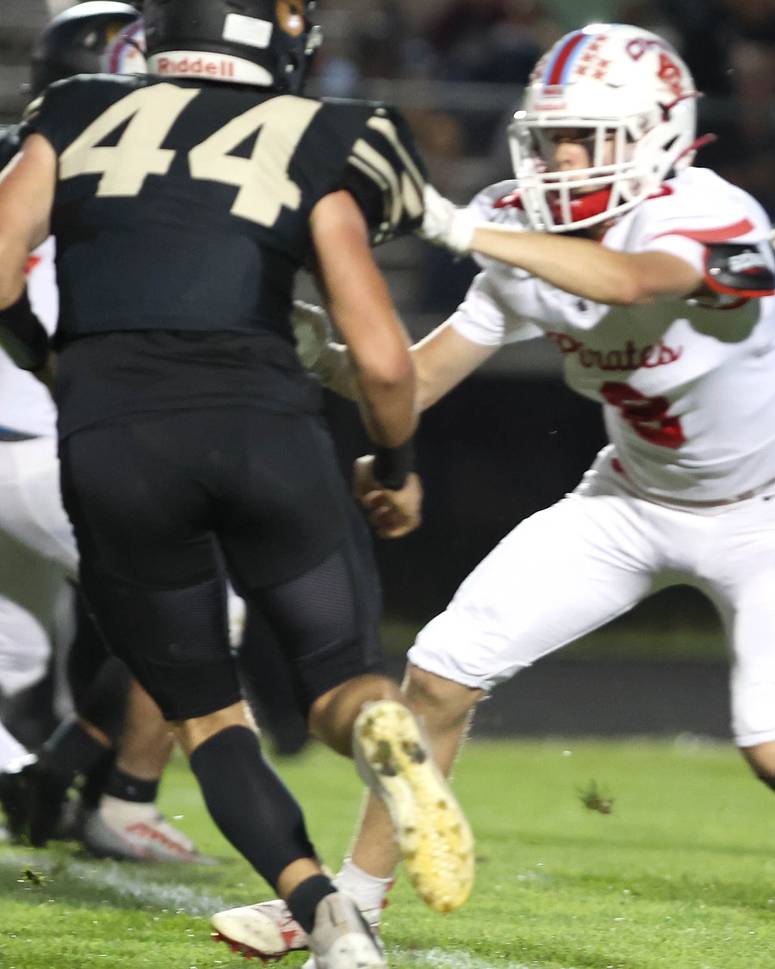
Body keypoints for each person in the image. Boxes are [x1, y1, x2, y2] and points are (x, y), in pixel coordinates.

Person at [210, 24, 775, 969]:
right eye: (552, 136)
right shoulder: (518, 223)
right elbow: (420, 379)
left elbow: (636, 280)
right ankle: (348, 911)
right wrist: (327, 361)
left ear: (659, 135)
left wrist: (454, 223)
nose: (561, 159)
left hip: (767, 510)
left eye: (587, 137)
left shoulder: (711, 214)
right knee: (435, 675)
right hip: (628, 500)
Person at [0, 2, 474, 966]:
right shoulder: (317, 132)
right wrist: (397, 467)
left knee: (207, 717)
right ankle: (378, 727)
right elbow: (384, 363)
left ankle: (326, 916)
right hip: (264, 429)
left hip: (114, 439)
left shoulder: (80, 109)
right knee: (343, 681)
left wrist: (51, 361)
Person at [0, 0, 215, 865]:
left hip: (24, 441)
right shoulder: (125, 177)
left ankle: (31, 776)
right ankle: (116, 797)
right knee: (206, 609)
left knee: (15, 656)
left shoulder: (29, 162)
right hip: (49, 445)